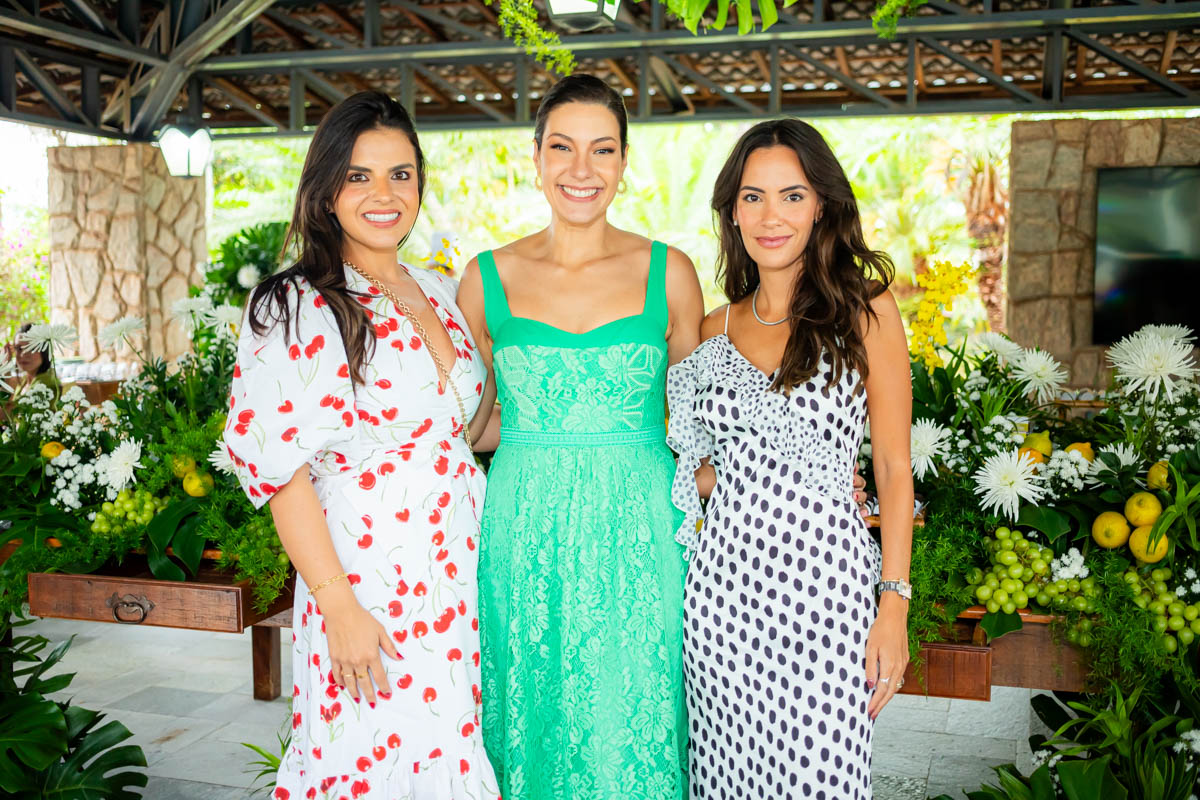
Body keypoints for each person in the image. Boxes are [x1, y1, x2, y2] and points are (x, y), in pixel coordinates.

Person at [222, 91, 499, 800]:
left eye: (400, 174)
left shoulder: (436, 289)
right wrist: (336, 605)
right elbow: (280, 472)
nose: (384, 194)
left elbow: (463, 431)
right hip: (368, 580)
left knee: (449, 748)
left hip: (460, 572)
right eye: (359, 175)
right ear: (326, 190)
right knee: (367, 760)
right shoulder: (294, 304)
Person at [455, 74, 705, 800]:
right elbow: (473, 422)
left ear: (624, 162)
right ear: (535, 159)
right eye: (562, 148)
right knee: (529, 707)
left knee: (635, 717)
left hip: (641, 531)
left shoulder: (671, 273)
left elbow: (699, 430)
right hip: (523, 528)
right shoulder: (484, 278)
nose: (581, 169)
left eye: (602, 150)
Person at [666, 118, 914, 800]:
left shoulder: (866, 310)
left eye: (792, 195)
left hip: (824, 597)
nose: (771, 215)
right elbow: (698, 464)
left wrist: (892, 606)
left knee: (821, 782)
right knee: (725, 781)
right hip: (721, 599)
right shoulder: (713, 329)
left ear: (823, 206)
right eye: (753, 197)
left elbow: (894, 467)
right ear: (732, 211)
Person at [5, 323, 61, 395]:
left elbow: (9, 405)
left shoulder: (47, 385)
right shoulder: (25, 380)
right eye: (18, 348)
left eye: (31, 348)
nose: (23, 354)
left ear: (44, 350)